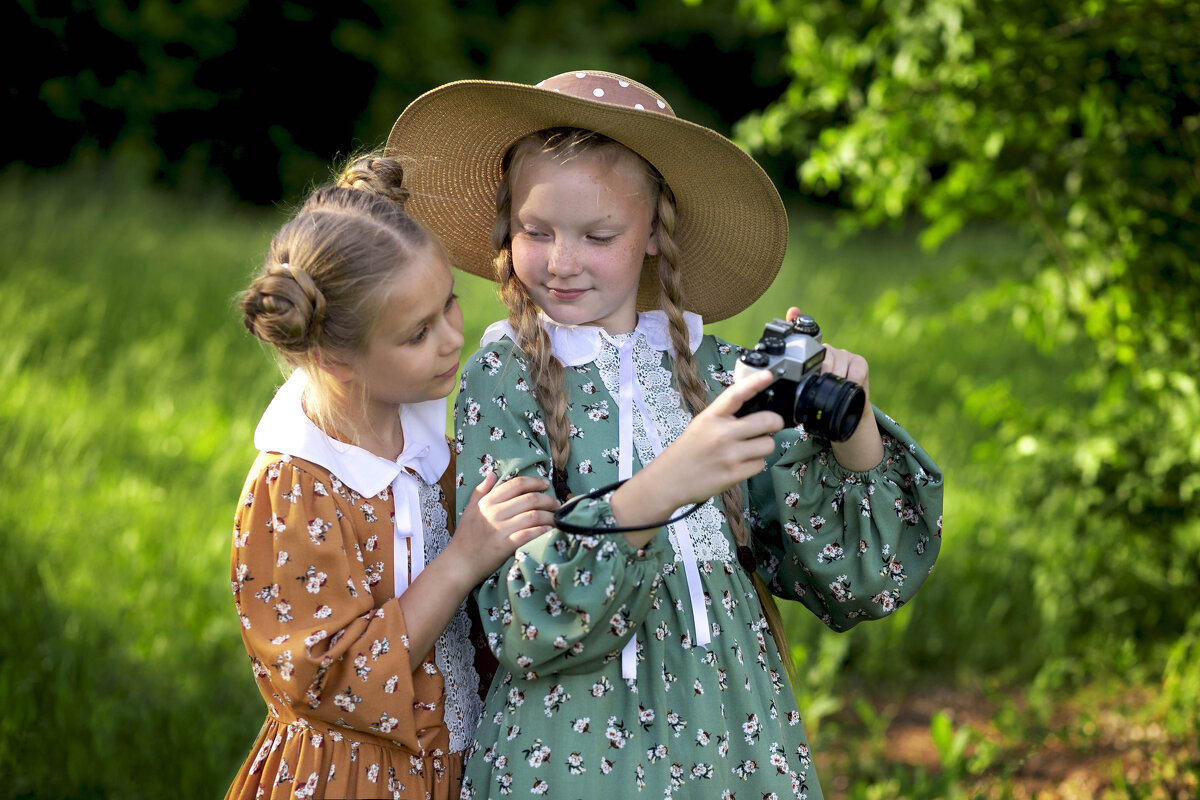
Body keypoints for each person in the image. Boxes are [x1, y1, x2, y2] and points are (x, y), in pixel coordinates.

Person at [385, 71, 944, 799]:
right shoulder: (508, 372)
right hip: (572, 751)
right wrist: (664, 486)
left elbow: (856, 580)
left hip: (735, 738)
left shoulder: (715, 372)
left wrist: (853, 426)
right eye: (536, 230)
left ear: (654, 234)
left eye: (599, 235)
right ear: (505, 228)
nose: (560, 261)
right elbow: (522, 618)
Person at [225, 154, 559, 800]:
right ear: (335, 358)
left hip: (452, 766)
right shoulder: (296, 486)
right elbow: (333, 679)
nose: (450, 340)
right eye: (416, 334)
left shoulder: (430, 445)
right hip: (352, 780)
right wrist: (461, 560)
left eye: (450, 306)